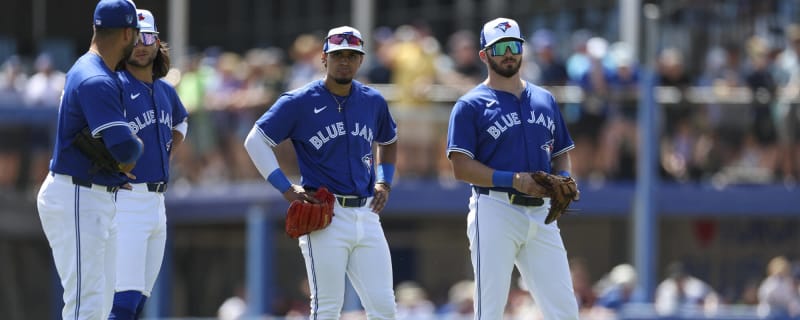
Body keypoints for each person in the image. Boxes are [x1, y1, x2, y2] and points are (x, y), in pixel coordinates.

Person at [244, 26, 398, 319]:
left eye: (352, 55)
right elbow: (256, 140)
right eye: (337, 54)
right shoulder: (299, 101)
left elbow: (388, 142)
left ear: (361, 60)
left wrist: (385, 182)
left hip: (366, 213)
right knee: (327, 308)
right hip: (325, 214)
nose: (345, 61)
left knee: (384, 307)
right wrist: (285, 188)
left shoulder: (372, 100)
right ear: (323, 58)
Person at [445, 17, 579, 319]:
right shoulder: (470, 105)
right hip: (495, 209)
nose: (509, 53)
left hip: (542, 214)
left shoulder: (544, 99)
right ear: (484, 55)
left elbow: (561, 153)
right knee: (489, 309)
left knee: (565, 311)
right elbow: (461, 168)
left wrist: (566, 179)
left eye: (514, 46)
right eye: (500, 47)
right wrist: (514, 180)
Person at [35, 0, 142, 318]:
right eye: (136, 33)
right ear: (127, 33)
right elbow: (126, 147)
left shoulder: (89, 69)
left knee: (100, 302)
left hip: (91, 191)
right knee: (87, 303)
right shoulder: (95, 77)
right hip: (78, 195)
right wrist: (130, 152)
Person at [110, 9, 188, 319]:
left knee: (139, 301)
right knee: (123, 302)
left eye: (148, 38)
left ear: (157, 43)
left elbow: (182, 122)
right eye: (134, 39)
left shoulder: (165, 90)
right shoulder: (112, 85)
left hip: (157, 202)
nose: (141, 46)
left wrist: (167, 151)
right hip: (126, 200)